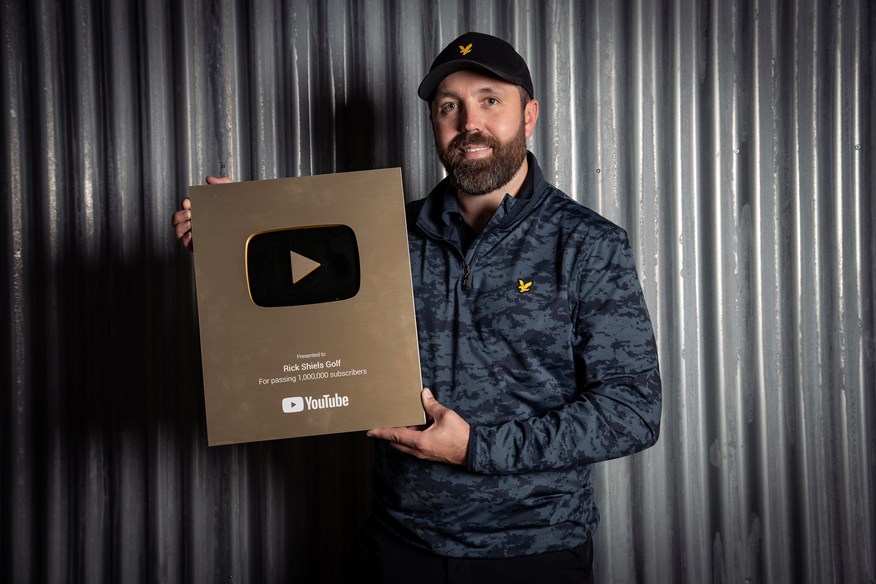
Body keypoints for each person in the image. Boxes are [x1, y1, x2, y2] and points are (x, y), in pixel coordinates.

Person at [173, 31, 661, 584]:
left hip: (535, 550)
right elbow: (301, 316)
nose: (468, 122)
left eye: (490, 100)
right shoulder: (381, 234)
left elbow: (632, 412)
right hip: (402, 545)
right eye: (449, 106)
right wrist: (234, 227)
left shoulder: (588, 245)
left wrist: (476, 448)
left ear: (529, 115)